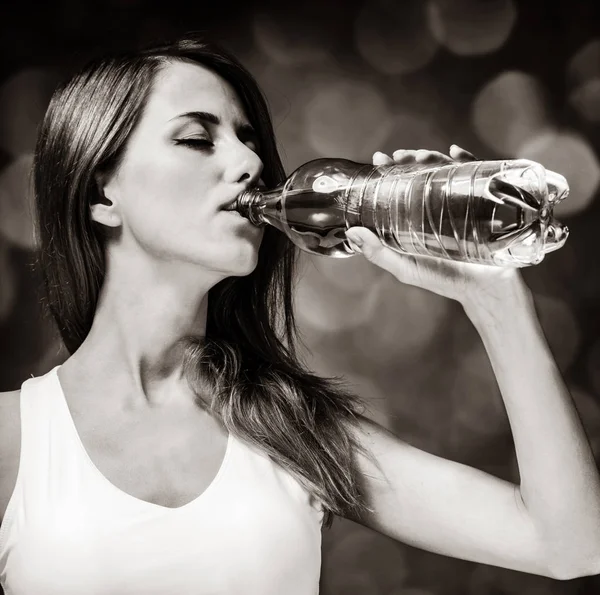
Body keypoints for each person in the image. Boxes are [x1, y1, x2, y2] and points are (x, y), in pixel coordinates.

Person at [0, 34, 599, 595]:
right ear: (103, 195)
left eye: (249, 139)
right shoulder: (15, 438)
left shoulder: (293, 429)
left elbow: (572, 544)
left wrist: (494, 300)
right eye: (196, 139)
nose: (249, 162)